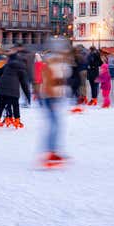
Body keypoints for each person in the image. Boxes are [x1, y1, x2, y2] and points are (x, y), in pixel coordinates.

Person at [39, 38, 72, 168]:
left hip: (53, 95)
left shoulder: (57, 60)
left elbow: (63, 77)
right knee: (54, 125)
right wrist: (52, 95)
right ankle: (50, 152)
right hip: (50, 96)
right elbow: (51, 80)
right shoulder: (53, 61)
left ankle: (52, 151)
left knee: (55, 124)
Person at [0, 46, 29, 128]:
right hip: (13, 90)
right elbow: (24, 84)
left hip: (1, 88)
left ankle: (0, 121)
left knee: (2, 105)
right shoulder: (22, 69)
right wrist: (28, 95)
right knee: (15, 104)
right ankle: (16, 121)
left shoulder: (8, 64)